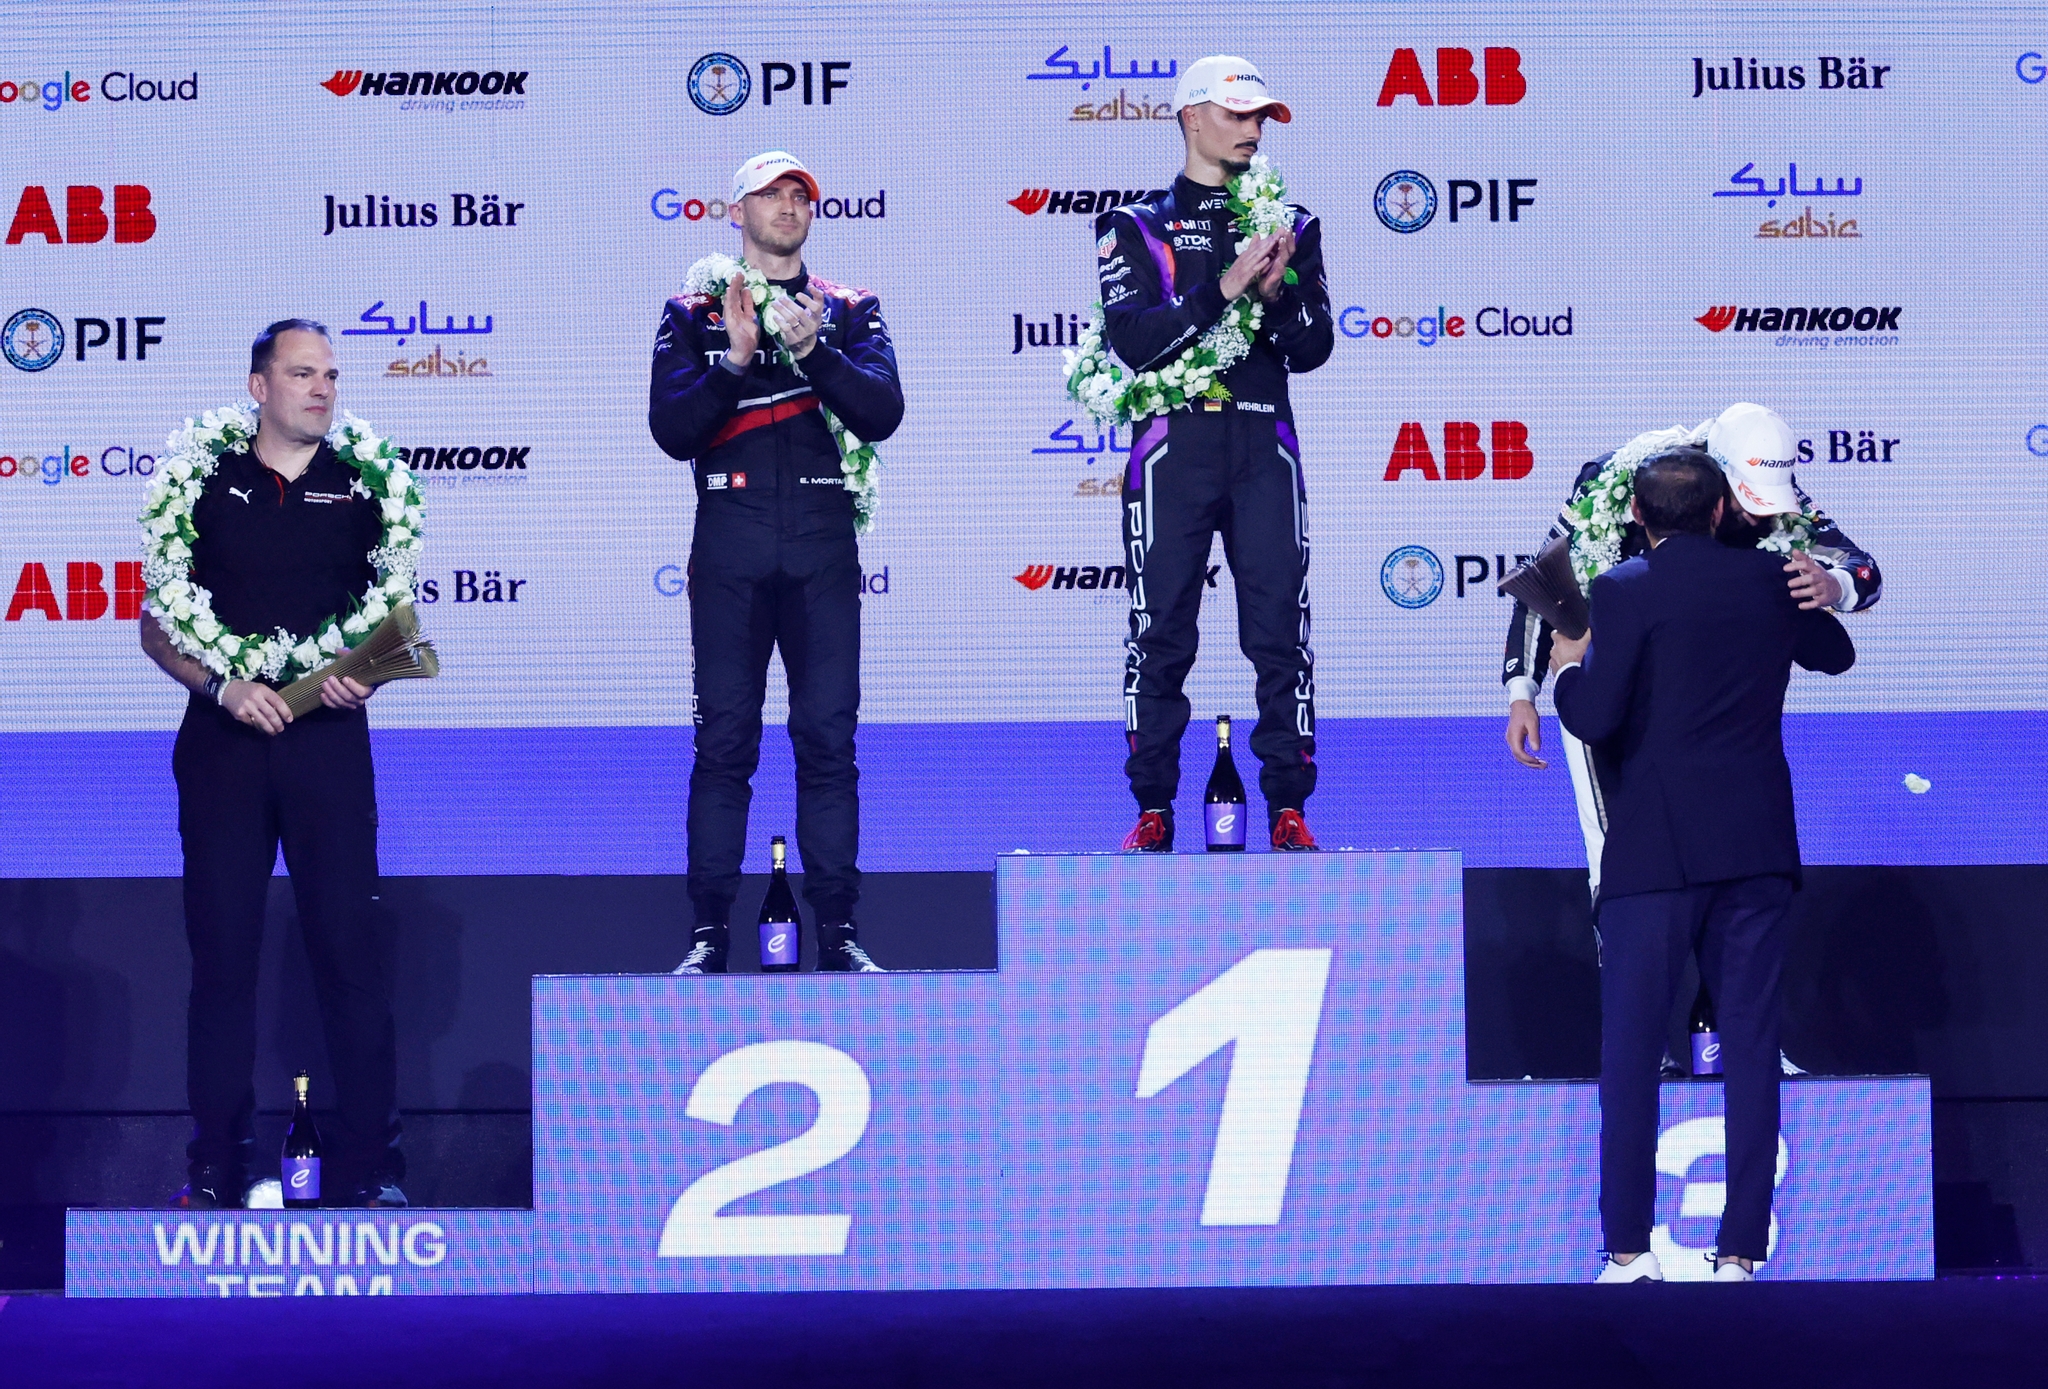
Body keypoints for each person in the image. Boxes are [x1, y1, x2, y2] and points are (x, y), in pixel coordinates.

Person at [1549, 448, 1855, 1283]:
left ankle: (1627, 1251)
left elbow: (1596, 718)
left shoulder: (1624, 588)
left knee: (1631, 1049)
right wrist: (1824, 588)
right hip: (1756, 847)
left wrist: (1569, 668)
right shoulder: (1767, 580)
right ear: (1723, 510)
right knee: (1752, 1046)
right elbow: (1836, 655)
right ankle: (1742, 1252)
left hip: (1655, 851)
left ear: (1639, 519)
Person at [140, 319, 405, 1209]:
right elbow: (154, 623)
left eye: (331, 374)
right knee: (221, 962)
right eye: (302, 374)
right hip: (223, 749)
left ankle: (375, 1170)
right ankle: (215, 1165)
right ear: (259, 388)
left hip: (328, 751)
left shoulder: (367, 488)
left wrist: (361, 674)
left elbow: (393, 626)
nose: (322, 389)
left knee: (351, 958)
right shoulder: (203, 485)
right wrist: (219, 686)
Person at [649, 151, 902, 974]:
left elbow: (884, 412)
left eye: (801, 196)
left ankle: (838, 934)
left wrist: (817, 352)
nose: (789, 206)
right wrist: (735, 360)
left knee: (828, 740)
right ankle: (707, 937)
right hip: (731, 536)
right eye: (772, 194)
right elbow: (672, 430)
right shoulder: (693, 311)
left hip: (824, 538)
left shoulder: (850, 307)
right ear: (737, 209)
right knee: (724, 741)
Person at [1097, 55, 1333, 853]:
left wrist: (1277, 295)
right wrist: (1225, 287)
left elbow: (1314, 349)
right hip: (1174, 448)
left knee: (1279, 631)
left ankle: (1288, 806)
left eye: (1260, 116)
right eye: (1236, 114)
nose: (1252, 130)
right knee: (1160, 630)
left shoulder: (1292, 221)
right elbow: (1134, 343)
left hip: (1266, 442)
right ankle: (1154, 805)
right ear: (1190, 117)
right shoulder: (1135, 224)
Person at [1504, 403, 1881, 899]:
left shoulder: (1771, 493)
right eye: (1747, 502)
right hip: (1603, 684)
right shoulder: (1614, 483)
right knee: (1611, 848)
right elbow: (1551, 578)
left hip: (1704, 697)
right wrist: (1522, 692)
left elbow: (1860, 568)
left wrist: (1834, 585)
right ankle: (1617, 956)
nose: (1756, 514)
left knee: (1718, 853)